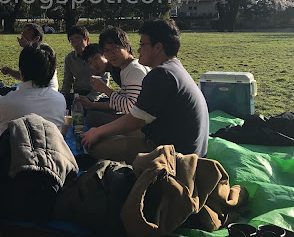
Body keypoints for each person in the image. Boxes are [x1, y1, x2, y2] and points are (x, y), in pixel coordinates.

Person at [81, 19, 209, 164]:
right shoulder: (173, 68)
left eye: (142, 44)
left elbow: (135, 120)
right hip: (186, 150)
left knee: (94, 145)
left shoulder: (162, 74)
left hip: (174, 156)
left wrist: (97, 132)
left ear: (158, 47)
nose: (138, 50)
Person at [0, 42, 66, 140]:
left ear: (20, 73)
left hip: (13, 155)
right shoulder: (60, 100)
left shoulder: (2, 104)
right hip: (51, 154)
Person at [79, 27, 149, 128]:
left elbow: (130, 108)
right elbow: (125, 99)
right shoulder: (125, 69)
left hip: (140, 123)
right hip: (135, 116)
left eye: (115, 48)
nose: (111, 54)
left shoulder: (134, 70)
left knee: (93, 117)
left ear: (127, 47)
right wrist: (92, 105)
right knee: (95, 111)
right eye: (106, 50)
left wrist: (105, 89)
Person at [0, 23, 59, 90]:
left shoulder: (42, 55)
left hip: (42, 92)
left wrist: (27, 47)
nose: (23, 34)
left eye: (27, 32)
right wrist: (9, 71)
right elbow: (26, 75)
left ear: (37, 38)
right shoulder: (29, 54)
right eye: (23, 32)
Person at [60, 26, 98, 108]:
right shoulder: (69, 58)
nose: (76, 44)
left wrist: (89, 99)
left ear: (87, 40)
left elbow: (104, 81)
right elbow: (67, 80)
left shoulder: (97, 55)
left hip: (96, 94)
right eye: (72, 41)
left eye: (79, 39)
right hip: (78, 94)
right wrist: (62, 95)